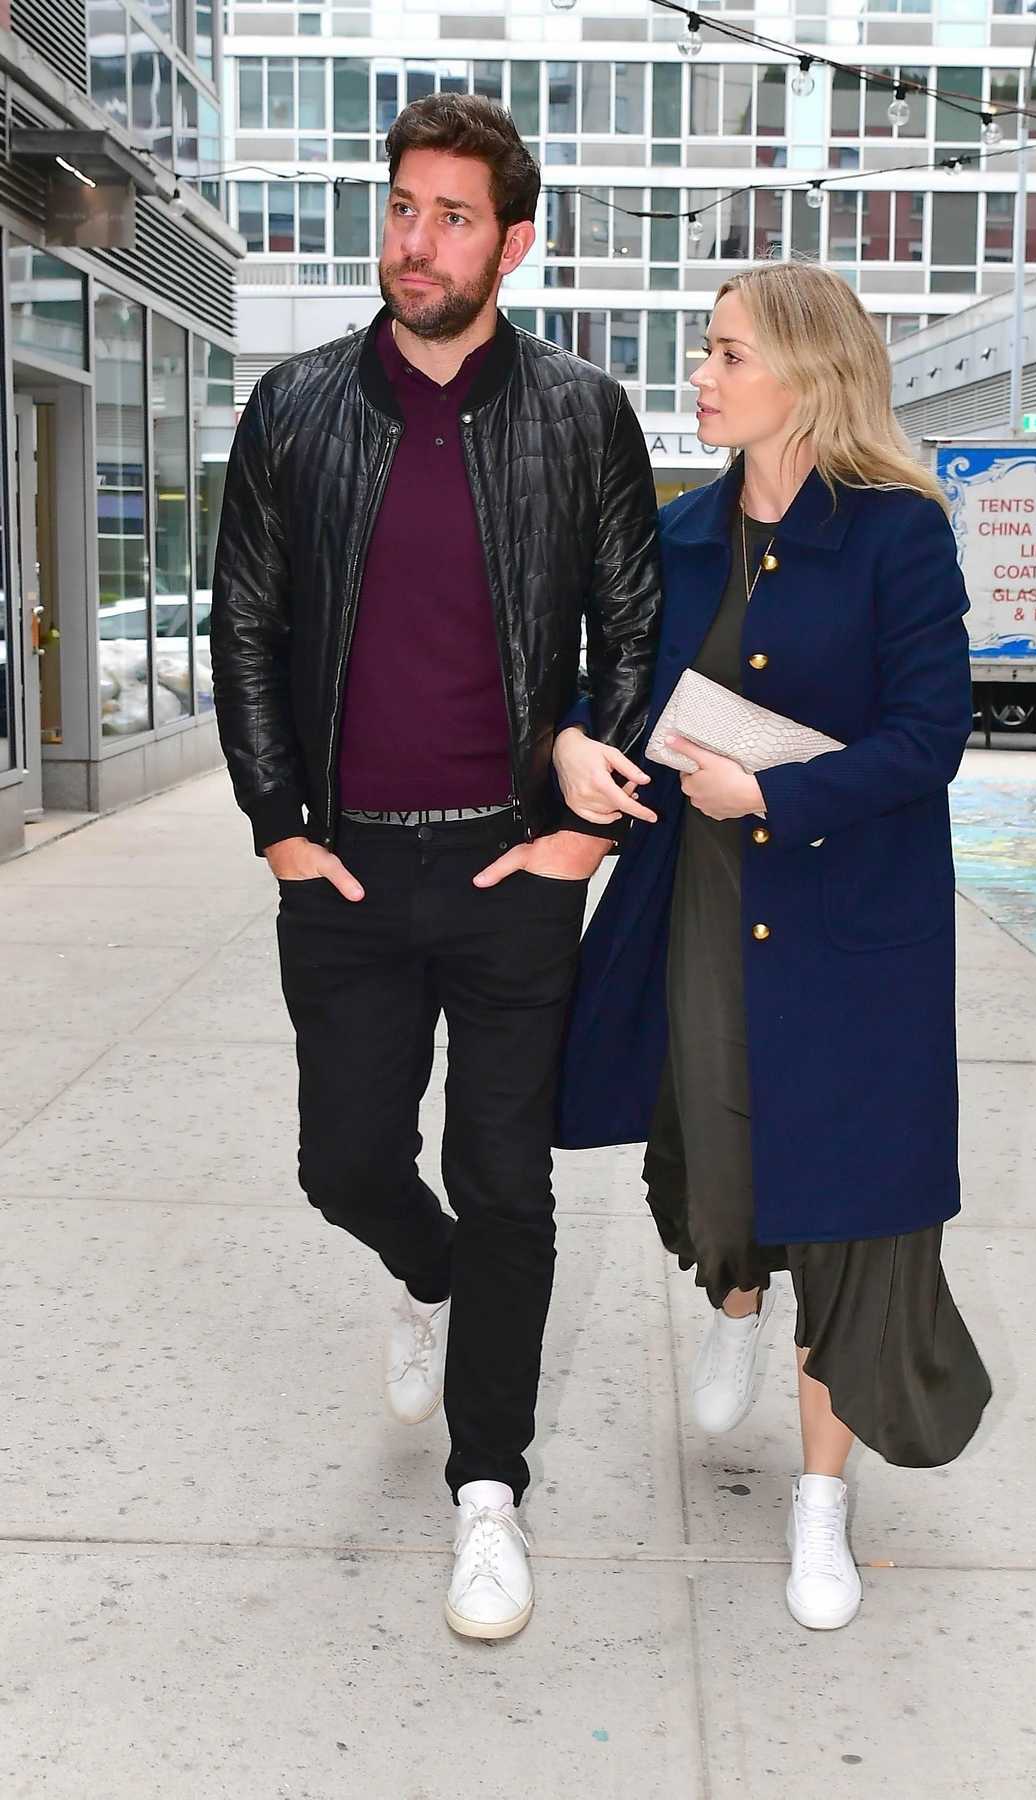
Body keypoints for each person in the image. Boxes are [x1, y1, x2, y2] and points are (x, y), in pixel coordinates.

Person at [210, 93, 660, 1640]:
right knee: (344, 1162)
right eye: (404, 206)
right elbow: (249, 631)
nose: (417, 239)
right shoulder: (294, 410)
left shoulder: (584, 414)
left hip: (509, 874)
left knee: (509, 1187)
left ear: (513, 244)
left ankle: (489, 1493)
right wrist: (279, 826)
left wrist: (580, 833)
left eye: (453, 216)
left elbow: (631, 632)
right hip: (341, 872)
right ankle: (428, 1276)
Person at [555, 262, 991, 1632]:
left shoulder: (897, 535)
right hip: (702, 901)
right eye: (704, 350)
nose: (703, 374)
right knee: (723, 1134)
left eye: (728, 353)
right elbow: (606, 689)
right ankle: (734, 1291)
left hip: (853, 922)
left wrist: (781, 796)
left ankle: (820, 1504)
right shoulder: (682, 536)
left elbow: (933, 738)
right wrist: (575, 743)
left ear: (807, 373)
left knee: (859, 1210)